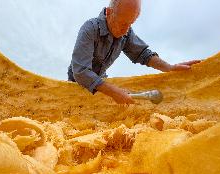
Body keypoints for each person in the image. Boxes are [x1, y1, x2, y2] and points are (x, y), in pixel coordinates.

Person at [67, 0, 200, 104]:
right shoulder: (89, 29)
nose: (126, 30)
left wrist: (169, 67)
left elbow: (143, 54)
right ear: (108, 12)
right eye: (123, 23)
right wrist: (114, 92)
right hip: (75, 86)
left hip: (101, 83)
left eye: (131, 24)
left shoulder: (126, 32)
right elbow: (81, 71)